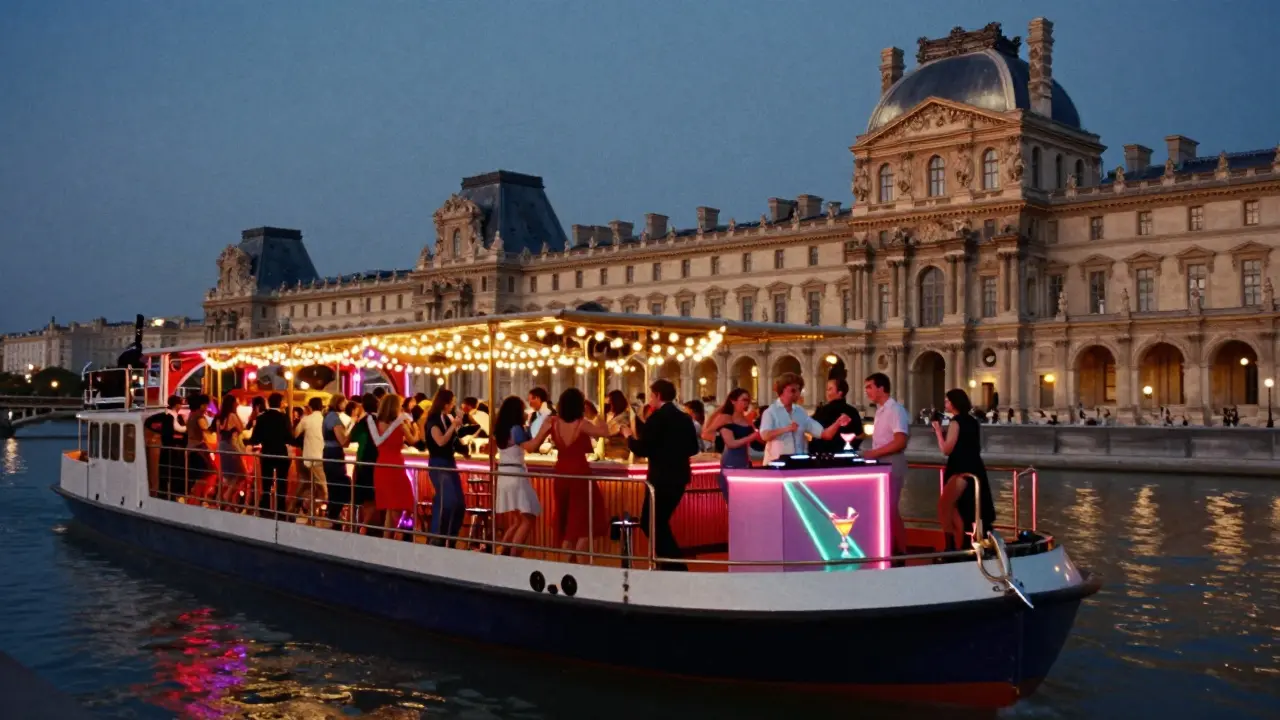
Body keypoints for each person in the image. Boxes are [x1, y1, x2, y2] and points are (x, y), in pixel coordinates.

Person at [621, 379, 700, 571]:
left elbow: (643, 448)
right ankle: (669, 563)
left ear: (657, 395)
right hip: (679, 478)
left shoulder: (656, 419)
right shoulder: (684, 418)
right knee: (658, 522)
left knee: (650, 522)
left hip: (660, 479)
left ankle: (675, 564)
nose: (649, 399)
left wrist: (628, 437)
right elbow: (693, 448)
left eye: (650, 395)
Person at [540, 387, 610, 562]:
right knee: (583, 525)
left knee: (567, 526)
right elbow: (604, 432)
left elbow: (533, 445)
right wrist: (598, 415)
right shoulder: (582, 424)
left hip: (561, 474)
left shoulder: (552, 422)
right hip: (580, 475)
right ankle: (580, 567)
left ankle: (566, 569)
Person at [932, 388, 996, 553]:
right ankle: (961, 543)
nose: (945, 403)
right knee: (954, 508)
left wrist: (938, 432)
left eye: (947, 401)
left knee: (944, 506)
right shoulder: (973, 421)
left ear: (954, 403)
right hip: (974, 468)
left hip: (960, 470)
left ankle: (950, 547)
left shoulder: (956, 422)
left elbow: (946, 450)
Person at [861, 373, 911, 557]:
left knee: (890, 508)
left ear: (881, 389)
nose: (867, 391)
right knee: (887, 508)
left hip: (891, 463)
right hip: (881, 464)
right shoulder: (881, 410)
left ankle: (902, 551)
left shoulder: (895, 410)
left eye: (869, 387)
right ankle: (894, 548)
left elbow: (900, 441)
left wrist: (872, 453)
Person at [759, 373, 851, 464]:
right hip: (775, 465)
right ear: (782, 390)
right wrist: (786, 429)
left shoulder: (801, 412)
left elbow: (824, 434)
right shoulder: (770, 412)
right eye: (793, 390)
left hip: (798, 464)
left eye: (799, 390)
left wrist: (838, 423)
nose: (797, 394)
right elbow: (765, 435)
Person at [492, 396, 543, 556]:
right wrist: (544, 430)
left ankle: (504, 552)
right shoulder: (516, 429)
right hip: (516, 474)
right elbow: (531, 447)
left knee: (518, 520)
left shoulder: (501, 429)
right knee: (528, 518)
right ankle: (514, 556)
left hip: (504, 474)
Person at [424, 388, 467, 543]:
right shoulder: (433, 420)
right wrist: (453, 425)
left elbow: (453, 439)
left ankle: (451, 536)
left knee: (459, 503)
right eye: (451, 403)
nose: (453, 406)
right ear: (445, 403)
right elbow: (440, 441)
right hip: (438, 463)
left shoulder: (446, 418)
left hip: (450, 462)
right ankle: (437, 537)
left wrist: (464, 450)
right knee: (447, 501)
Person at [372, 393, 416, 534]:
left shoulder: (378, 424)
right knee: (402, 503)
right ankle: (394, 538)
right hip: (396, 465)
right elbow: (413, 440)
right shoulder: (401, 425)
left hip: (382, 465)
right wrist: (417, 430)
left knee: (392, 506)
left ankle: (389, 539)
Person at [249, 392, 293, 519]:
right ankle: (280, 509)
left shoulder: (262, 418)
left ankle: (265, 508)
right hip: (280, 452)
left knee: (266, 482)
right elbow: (288, 437)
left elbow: (255, 438)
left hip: (267, 452)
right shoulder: (284, 417)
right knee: (281, 481)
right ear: (280, 403)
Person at [714, 388, 760, 500]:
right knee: (733, 499)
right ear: (733, 401)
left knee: (744, 499)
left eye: (748, 400)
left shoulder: (747, 420)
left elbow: (757, 439)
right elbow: (731, 444)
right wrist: (751, 437)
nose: (746, 403)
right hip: (731, 462)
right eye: (743, 400)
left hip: (745, 461)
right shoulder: (726, 418)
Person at [345, 393, 381, 533]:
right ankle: (365, 526)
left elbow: (347, 440)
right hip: (374, 460)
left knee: (363, 497)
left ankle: (359, 526)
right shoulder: (378, 419)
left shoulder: (364, 421)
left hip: (364, 461)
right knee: (371, 497)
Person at [143, 395, 187, 500]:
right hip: (170, 448)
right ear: (176, 405)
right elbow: (151, 424)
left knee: (173, 473)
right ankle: (165, 495)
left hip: (175, 448)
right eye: (179, 404)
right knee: (167, 472)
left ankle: (172, 495)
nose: (180, 406)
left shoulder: (177, 417)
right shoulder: (167, 416)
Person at [809, 377, 865, 454]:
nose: (826, 392)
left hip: (824, 455)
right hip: (846, 454)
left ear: (840, 392)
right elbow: (860, 435)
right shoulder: (852, 411)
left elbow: (813, 430)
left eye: (830, 389)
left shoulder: (823, 410)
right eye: (827, 389)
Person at [293, 397, 328, 517]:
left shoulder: (306, 419)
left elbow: (295, 434)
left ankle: (299, 508)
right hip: (320, 459)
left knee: (310, 487)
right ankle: (308, 509)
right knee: (324, 491)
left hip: (307, 459)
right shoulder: (325, 420)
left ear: (310, 407)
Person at [214, 394, 250, 506]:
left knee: (229, 476)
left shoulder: (219, 417)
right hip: (231, 446)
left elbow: (218, 435)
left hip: (222, 446)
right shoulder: (232, 416)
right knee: (241, 474)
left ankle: (222, 499)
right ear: (232, 404)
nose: (237, 404)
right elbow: (241, 429)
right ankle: (227, 496)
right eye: (236, 402)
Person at [322, 393, 352, 524]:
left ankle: (332, 513)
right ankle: (334, 513)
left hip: (328, 452)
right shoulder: (334, 418)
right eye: (344, 402)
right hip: (334, 453)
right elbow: (343, 441)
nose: (346, 404)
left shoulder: (328, 416)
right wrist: (352, 430)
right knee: (339, 484)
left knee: (333, 484)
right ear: (338, 403)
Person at [185, 394, 215, 501]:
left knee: (199, 474)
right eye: (206, 405)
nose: (207, 407)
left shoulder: (191, 415)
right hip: (199, 449)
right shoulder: (199, 417)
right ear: (201, 405)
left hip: (191, 448)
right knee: (206, 473)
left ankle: (196, 496)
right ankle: (200, 496)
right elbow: (205, 430)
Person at [601, 389, 632, 461]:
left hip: (619, 450)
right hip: (610, 448)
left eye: (610, 402)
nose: (608, 405)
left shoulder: (624, 418)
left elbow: (610, 432)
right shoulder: (611, 416)